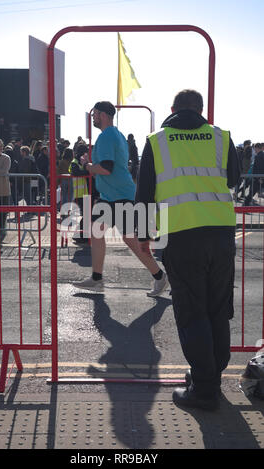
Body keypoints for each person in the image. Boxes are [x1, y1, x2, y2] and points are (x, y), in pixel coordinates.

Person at [136, 89, 241, 410]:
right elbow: (234, 180)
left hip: (180, 237)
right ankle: (209, 374)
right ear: (201, 109)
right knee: (217, 309)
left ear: (172, 109)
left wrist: (144, 235)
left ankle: (205, 388)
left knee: (192, 311)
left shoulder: (157, 141)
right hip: (221, 235)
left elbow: (144, 192)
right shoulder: (222, 137)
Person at [73, 101, 167, 296]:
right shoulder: (115, 134)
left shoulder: (107, 136)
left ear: (104, 115)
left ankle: (159, 276)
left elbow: (106, 168)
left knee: (129, 239)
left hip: (118, 196)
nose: (93, 117)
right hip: (113, 196)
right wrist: (90, 165)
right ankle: (97, 278)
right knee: (100, 232)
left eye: (95, 114)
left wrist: (87, 166)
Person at [69, 144, 90, 243]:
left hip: (84, 192)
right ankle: (79, 235)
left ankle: (82, 235)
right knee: (86, 214)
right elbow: (75, 172)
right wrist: (87, 171)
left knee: (87, 214)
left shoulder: (81, 161)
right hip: (79, 193)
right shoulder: (75, 162)